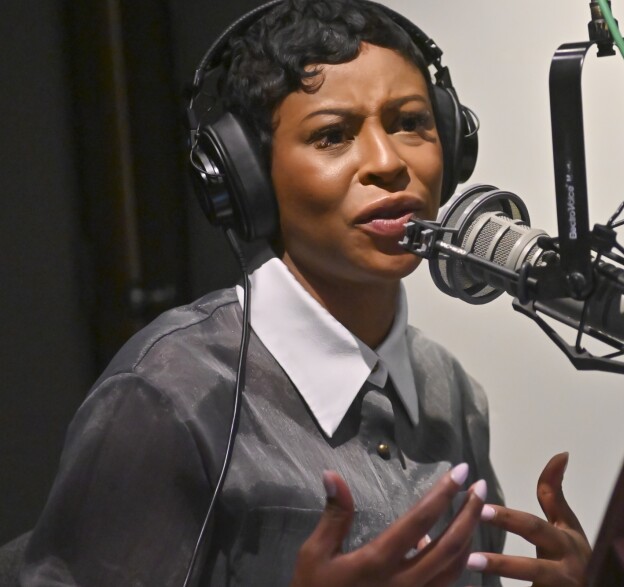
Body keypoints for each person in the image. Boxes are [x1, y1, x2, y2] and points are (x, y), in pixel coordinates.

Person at [21, 1, 591, 585]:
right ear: (247, 179)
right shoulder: (168, 396)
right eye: (333, 136)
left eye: (409, 122)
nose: (387, 162)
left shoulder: (450, 390)